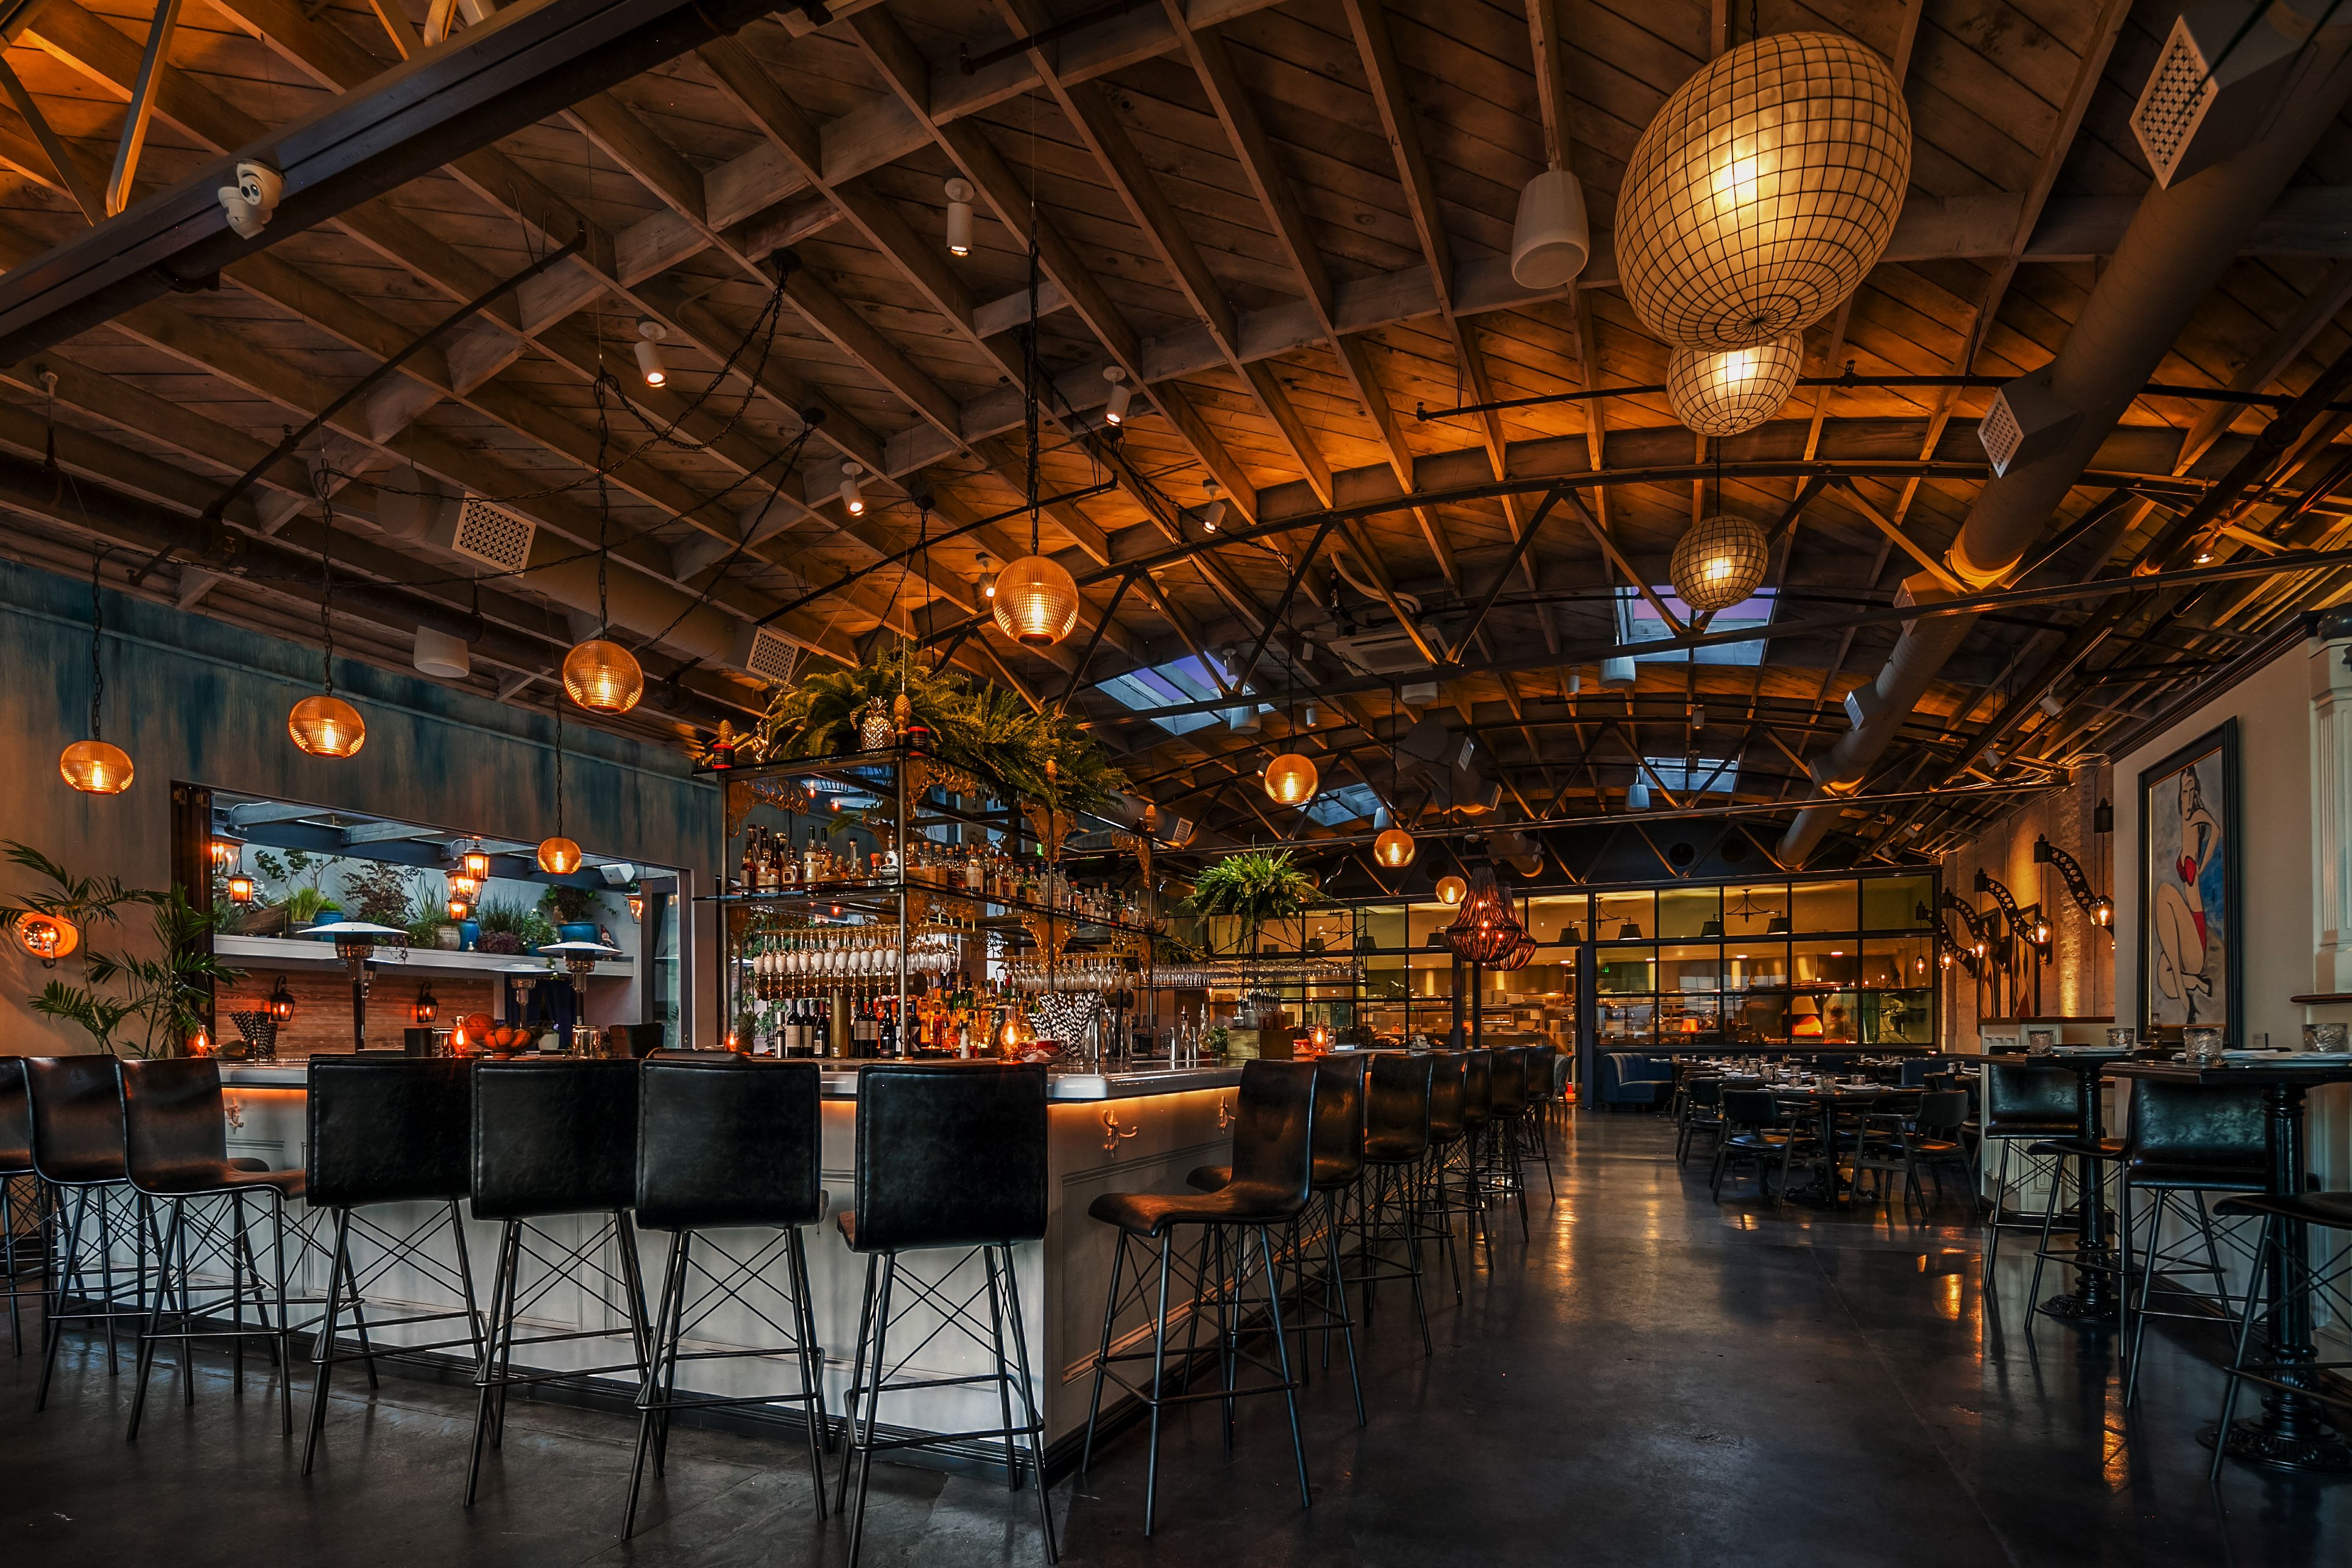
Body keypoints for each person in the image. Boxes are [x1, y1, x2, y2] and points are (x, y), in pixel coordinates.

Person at [2153, 765, 2220, 1021]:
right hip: (2187, 937)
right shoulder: (2184, 822)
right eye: (2185, 791)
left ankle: (2185, 997)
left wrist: (2202, 864)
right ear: (2180, 796)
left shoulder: (2197, 817)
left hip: (2196, 932)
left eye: (2193, 790)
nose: (2189, 796)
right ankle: (2198, 985)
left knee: (2165, 892)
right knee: (2163, 976)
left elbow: (2216, 830)